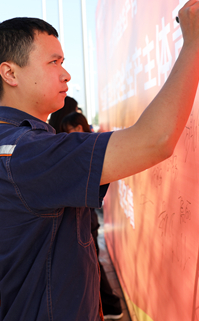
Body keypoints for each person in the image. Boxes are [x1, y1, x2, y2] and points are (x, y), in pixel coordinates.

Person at [0, 0, 199, 320]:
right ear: (10, 73)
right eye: (53, 62)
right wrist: (195, 45)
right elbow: (153, 141)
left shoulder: (5, 142)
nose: (66, 74)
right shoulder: (26, 151)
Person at [61, 112, 124, 319]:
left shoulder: (88, 148)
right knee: (92, 264)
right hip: (86, 217)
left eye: (68, 130)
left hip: (86, 218)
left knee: (93, 265)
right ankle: (110, 307)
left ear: (79, 128)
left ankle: (112, 307)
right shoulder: (87, 146)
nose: (67, 135)